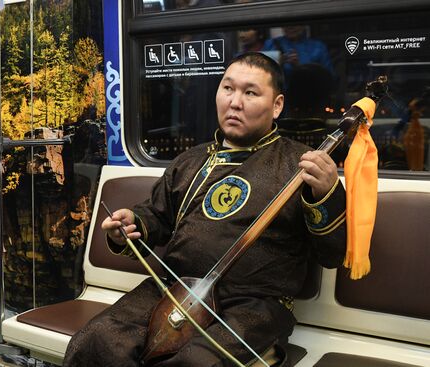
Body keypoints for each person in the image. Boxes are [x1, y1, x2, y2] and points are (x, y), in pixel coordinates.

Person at [62, 52, 346, 367]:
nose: (235, 102)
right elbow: (155, 217)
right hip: (173, 289)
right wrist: (131, 224)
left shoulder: (301, 165)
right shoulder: (190, 161)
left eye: (250, 93)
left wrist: (326, 193)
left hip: (254, 305)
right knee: (96, 340)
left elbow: (332, 254)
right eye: (228, 89)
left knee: (196, 363)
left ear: (277, 105)